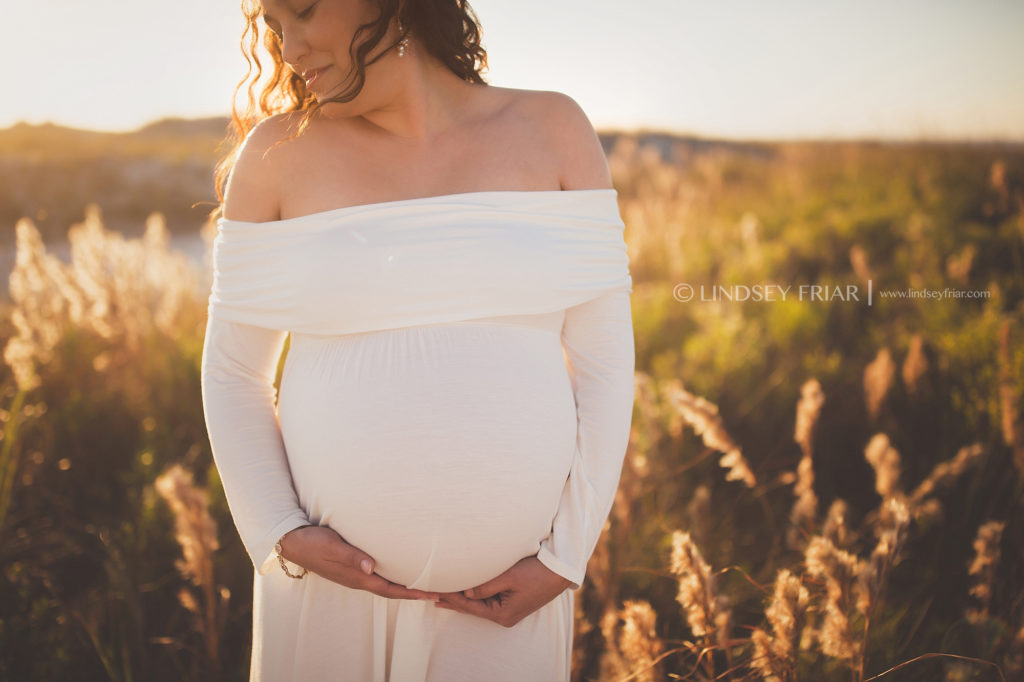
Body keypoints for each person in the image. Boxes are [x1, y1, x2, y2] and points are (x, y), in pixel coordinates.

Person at [200, 0, 635, 679]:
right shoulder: (278, 155)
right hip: (326, 593)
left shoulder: (553, 129)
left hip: (507, 601)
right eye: (275, 29)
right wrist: (279, 530)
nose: (287, 48)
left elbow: (605, 365)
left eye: (304, 13)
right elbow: (233, 372)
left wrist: (565, 558)